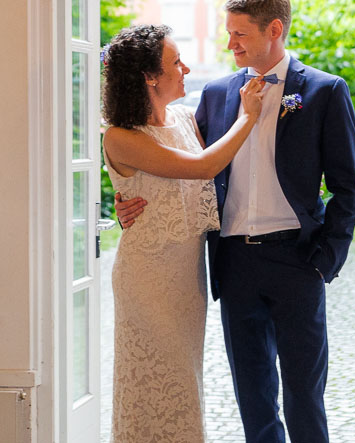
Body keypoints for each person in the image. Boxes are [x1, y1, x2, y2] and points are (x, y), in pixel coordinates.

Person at [116, 0, 355, 443]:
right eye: (228, 33)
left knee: (305, 395)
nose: (229, 44)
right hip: (235, 264)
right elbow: (167, 155)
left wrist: (324, 260)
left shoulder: (326, 91)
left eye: (239, 35)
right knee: (253, 396)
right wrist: (128, 198)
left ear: (274, 29)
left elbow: (349, 189)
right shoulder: (214, 95)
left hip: (298, 261)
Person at [101, 23, 267, 443]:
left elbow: (188, 183)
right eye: (176, 62)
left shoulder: (181, 118)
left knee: (185, 382)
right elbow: (202, 167)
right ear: (149, 77)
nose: (186, 68)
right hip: (147, 279)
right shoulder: (120, 136)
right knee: (152, 385)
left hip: (186, 281)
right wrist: (249, 117)